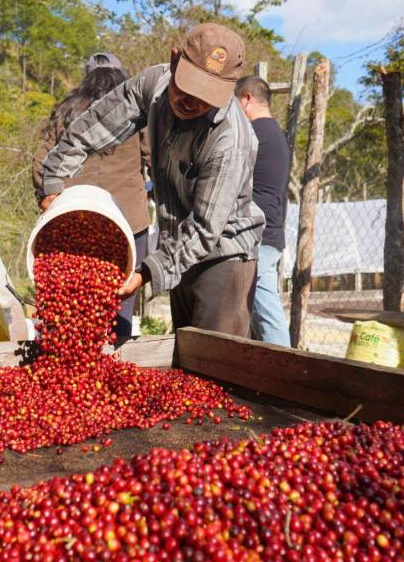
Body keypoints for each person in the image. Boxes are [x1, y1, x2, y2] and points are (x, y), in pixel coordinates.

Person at [40, 23, 265, 352]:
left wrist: (147, 271)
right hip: (179, 243)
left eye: (205, 97)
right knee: (186, 358)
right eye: (187, 87)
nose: (191, 102)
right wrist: (54, 178)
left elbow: (205, 229)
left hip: (225, 256)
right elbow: (96, 124)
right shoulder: (154, 84)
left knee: (215, 370)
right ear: (174, 61)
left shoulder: (230, 140)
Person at [33, 53, 151, 337]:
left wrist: (48, 196)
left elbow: (41, 160)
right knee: (120, 303)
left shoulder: (66, 110)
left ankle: (63, 367)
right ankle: (113, 369)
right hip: (129, 223)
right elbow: (155, 158)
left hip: (74, 221)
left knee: (67, 314)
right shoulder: (137, 112)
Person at [235, 76, 292, 347]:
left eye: (235, 103)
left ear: (246, 98)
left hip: (259, 236)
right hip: (268, 233)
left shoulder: (255, 133)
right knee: (260, 310)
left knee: (267, 314)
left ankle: (287, 374)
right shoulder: (274, 134)